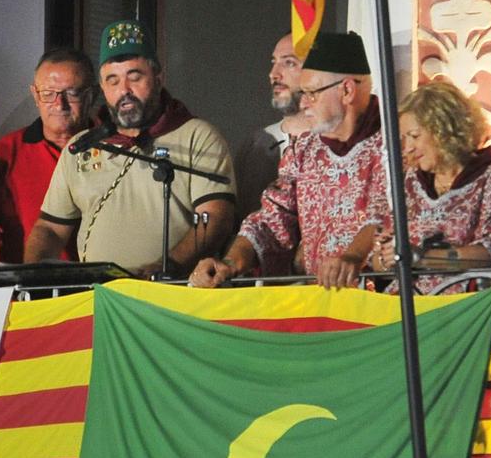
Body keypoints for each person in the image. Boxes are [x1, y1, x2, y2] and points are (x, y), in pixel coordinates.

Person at [25, 21, 236, 275]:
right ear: (102, 88)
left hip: (172, 294)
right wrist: (31, 277)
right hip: (99, 299)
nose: (124, 90)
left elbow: (215, 217)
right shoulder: (83, 146)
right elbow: (50, 228)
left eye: (134, 77)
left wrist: (168, 267)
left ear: (159, 78)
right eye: (112, 81)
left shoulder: (197, 136)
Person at [189, 31, 388, 289]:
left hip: (381, 308)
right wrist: (230, 262)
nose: (303, 103)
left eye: (311, 93)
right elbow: (271, 220)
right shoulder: (304, 148)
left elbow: (391, 217)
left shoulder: (395, 146)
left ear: (347, 90)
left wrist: (353, 257)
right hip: (317, 305)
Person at [359, 79, 491, 291]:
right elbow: (377, 255)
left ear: (445, 130)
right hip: (404, 303)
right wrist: (386, 258)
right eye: (403, 139)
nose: (406, 148)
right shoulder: (408, 180)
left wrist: (422, 257)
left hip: (462, 305)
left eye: (414, 136)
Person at [0, 47, 93, 282]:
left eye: (72, 93)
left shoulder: (116, 150)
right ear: (35, 95)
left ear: (91, 95)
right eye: (48, 93)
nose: (59, 104)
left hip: (100, 298)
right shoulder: (2, 157)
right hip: (26, 302)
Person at [231, 33, 315, 231]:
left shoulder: (334, 144)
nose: (274, 74)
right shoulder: (256, 144)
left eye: (289, 63)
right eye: (274, 62)